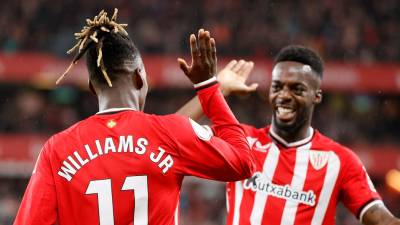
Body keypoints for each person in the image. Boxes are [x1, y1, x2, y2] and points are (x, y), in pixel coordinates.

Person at [13, 9, 256, 225]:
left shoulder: (56, 150)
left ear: (92, 86)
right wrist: (209, 87)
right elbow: (244, 162)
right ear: (140, 77)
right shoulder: (172, 132)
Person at [177, 45, 400, 225]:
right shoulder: (240, 139)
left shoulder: (340, 160)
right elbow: (169, 135)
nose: (284, 95)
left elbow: (380, 218)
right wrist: (216, 90)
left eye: (297, 88)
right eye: (277, 87)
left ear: (317, 95)